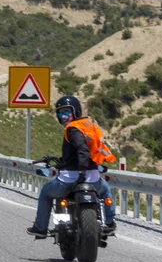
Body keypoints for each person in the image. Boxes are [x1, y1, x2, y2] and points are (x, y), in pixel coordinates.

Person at [27, 95, 117, 239]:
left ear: (75, 111)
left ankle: (41, 228)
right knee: (105, 190)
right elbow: (81, 151)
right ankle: (110, 223)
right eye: (60, 113)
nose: (63, 116)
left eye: (66, 112)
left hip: (71, 178)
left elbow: (82, 149)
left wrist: (81, 169)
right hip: (93, 177)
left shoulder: (72, 129)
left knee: (45, 193)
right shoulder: (87, 125)